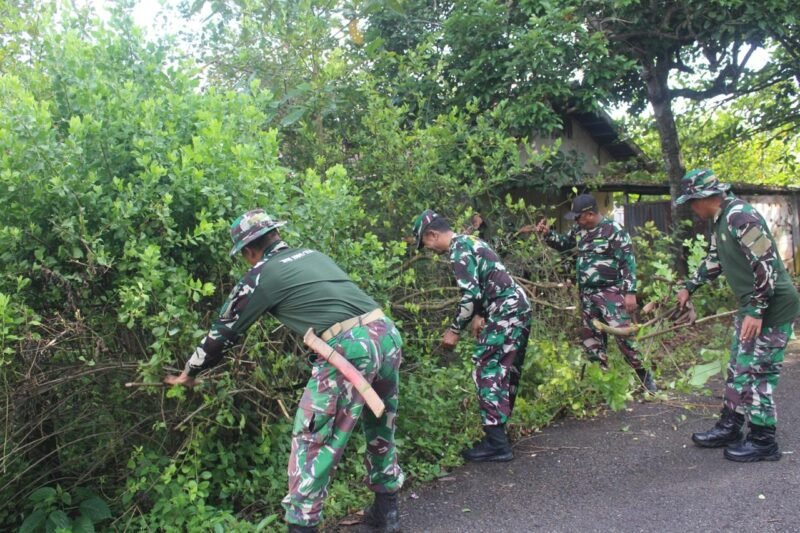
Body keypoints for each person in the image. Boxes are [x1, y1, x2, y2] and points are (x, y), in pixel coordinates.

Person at [163, 209, 404, 532]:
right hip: (385, 333)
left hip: (348, 347)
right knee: (381, 424)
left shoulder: (261, 274)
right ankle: (387, 513)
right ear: (276, 234)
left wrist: (190, 371)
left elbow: (223, 333)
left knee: (312, 440)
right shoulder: (314, 255)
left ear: (249, 250)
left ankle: (301, 526)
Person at [675, 169, 800, 462]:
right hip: (753, 306)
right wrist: (689, 287)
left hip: (773, 306)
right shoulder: (721, 220)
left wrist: (757, 310)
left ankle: (763, 440)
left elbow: (766, 262)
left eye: (692, 201)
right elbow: (715, 259)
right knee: (738, 368)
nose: (692, 208)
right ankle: (731, 425)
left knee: (760, 373)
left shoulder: (740, 216)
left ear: (707, 197)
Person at [412, 209, 531, 462]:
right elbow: (486, 283)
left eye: (425, 244)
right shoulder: (472, 241)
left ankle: (497, 444)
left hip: (505, 310)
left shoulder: (458, 251)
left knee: (486, 369)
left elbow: (470, 295)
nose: (428, 250)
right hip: (516, 307)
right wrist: (479, 315)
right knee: (505, 370)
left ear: (432, 235)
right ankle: (498, 436)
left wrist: (454, 330)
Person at [535, 194, 657, 392]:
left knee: (624, 337)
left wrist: (630, 292)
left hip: (611, 293)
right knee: (591, 340)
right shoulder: (579, 230)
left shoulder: (613, 231)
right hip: (587, 295)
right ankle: (602, 384)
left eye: (578, 217)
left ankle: (645, 378)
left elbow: (628, 261)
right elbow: (565, 244)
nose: (575, 220)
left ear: (590, 214)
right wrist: (548, 235)